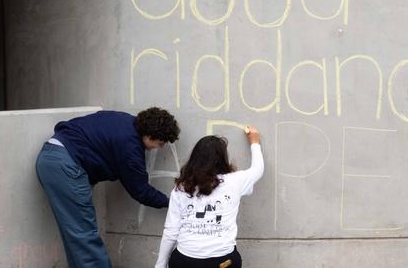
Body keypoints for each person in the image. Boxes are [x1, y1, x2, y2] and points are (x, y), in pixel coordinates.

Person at [35, 107, 180, 268]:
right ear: (150, 134)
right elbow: (140, 191)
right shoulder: (130, 146)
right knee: (85, 236)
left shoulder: (124, 120)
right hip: (66, 166)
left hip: (51, 156)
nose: (158, 148)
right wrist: (172, 201)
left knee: (76, 236)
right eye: (159, 143)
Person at [155, 126, 264, 268]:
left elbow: (171, 231)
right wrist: (254, 142)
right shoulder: (235, 181)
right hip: (222, 261)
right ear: (222, 158)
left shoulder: (181, 188)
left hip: (185, 260)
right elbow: (258, 169)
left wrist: (160, 264)